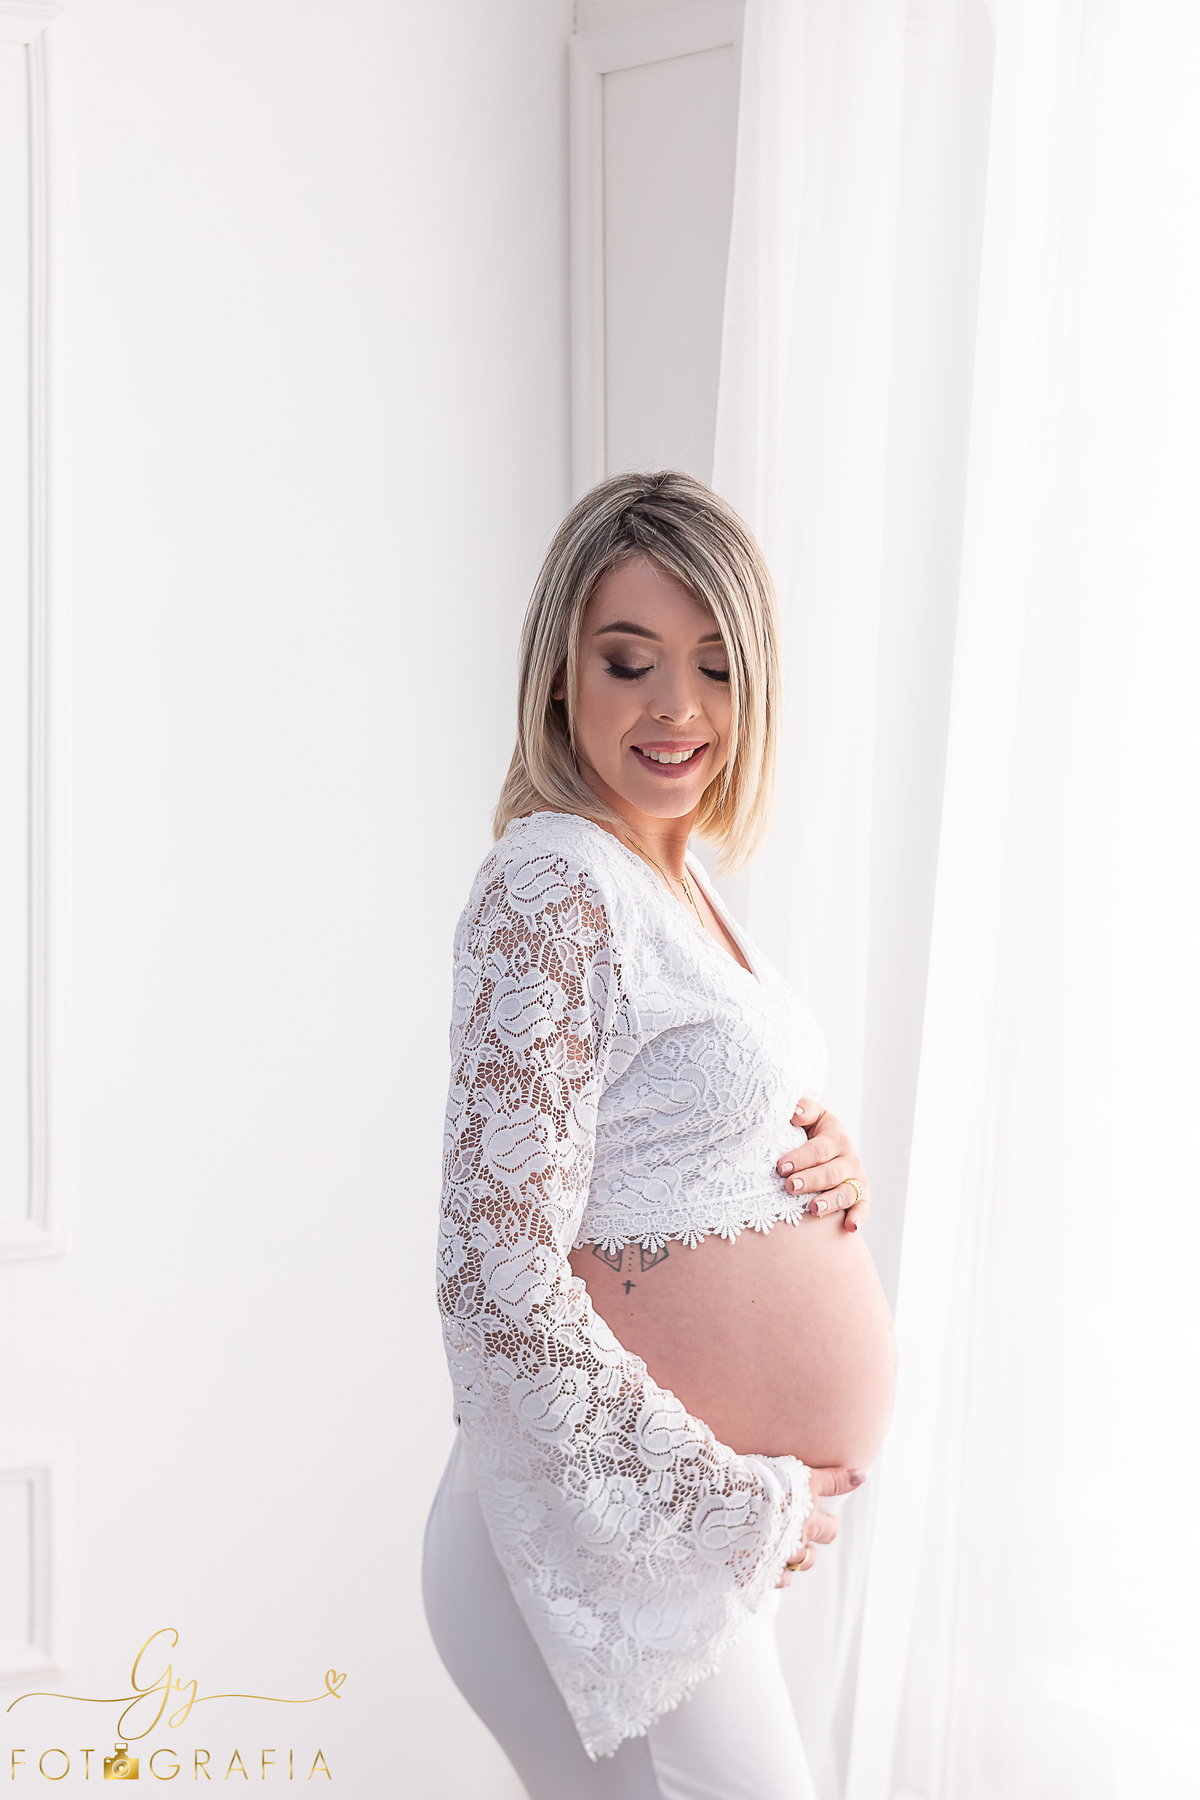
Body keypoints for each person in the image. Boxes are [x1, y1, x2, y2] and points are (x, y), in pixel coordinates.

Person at [423, 471, 897, 1799]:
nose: (676, 706)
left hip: (651, 1540)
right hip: (583, 1533)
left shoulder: (669, 878)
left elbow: (662, 1150)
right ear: (560, 675)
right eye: (629, 662)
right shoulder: (553, 879)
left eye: (714, 665)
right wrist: (727, 1502)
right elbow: (494, 1282)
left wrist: (820, 1178)